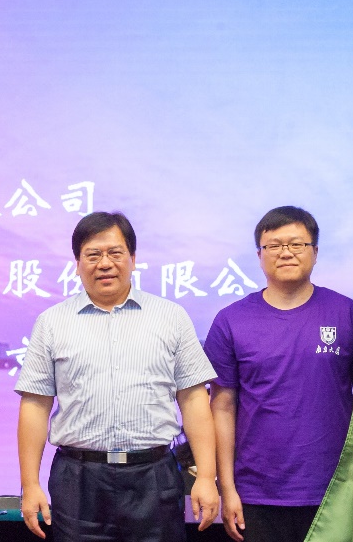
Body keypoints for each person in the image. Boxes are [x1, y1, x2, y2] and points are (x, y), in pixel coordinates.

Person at [16, 211, 220, 542]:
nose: (105, 263)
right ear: (77, 264)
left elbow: (194, 399)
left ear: (133, 259)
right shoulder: (51, 323)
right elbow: (35, 406)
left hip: (153, 477)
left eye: (115, 253)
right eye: (93, 255)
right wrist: (29, 484)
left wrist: (207, 477)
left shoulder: (171, 317)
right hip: (78, 480)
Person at [204, 206, 353, 542]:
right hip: (256, 493)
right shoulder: (231, 320)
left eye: (297, 244)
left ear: (315, 251)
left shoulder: (349, 314)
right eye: (273, 246)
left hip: (336, 490)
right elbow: (222, 407)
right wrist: (227, 488)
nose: (285, 252)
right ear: (260, 255)